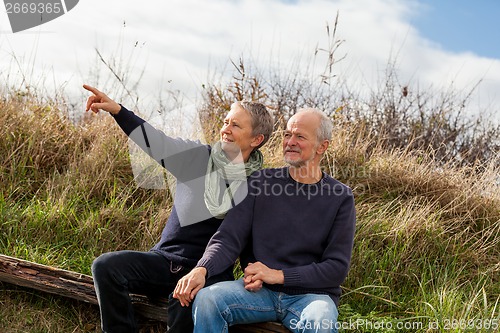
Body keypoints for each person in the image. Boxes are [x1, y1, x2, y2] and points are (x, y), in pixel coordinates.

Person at [83, 84, 274, 333]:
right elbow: (156, 142)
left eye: (236, 125)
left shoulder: (258, 186)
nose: (225, 129)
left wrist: (256, 274)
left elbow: (251, 239)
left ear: (256, 139)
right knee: (105, 266)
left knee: (185, 301)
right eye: (226, 121)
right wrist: (118, 111)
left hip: (210, 273)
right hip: (164, 261)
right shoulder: (197, 158)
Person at [174, 108, 356, 333]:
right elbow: (228, 238)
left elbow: (336, 268)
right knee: (209, 300)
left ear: (322, 146)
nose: (290, 141)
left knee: (321, 321)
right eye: (287, 134)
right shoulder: (260, 182)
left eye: (300, 136)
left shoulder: (340, 197)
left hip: (311, 298)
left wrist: (279, 276)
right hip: (257, 293)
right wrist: (202, 269)